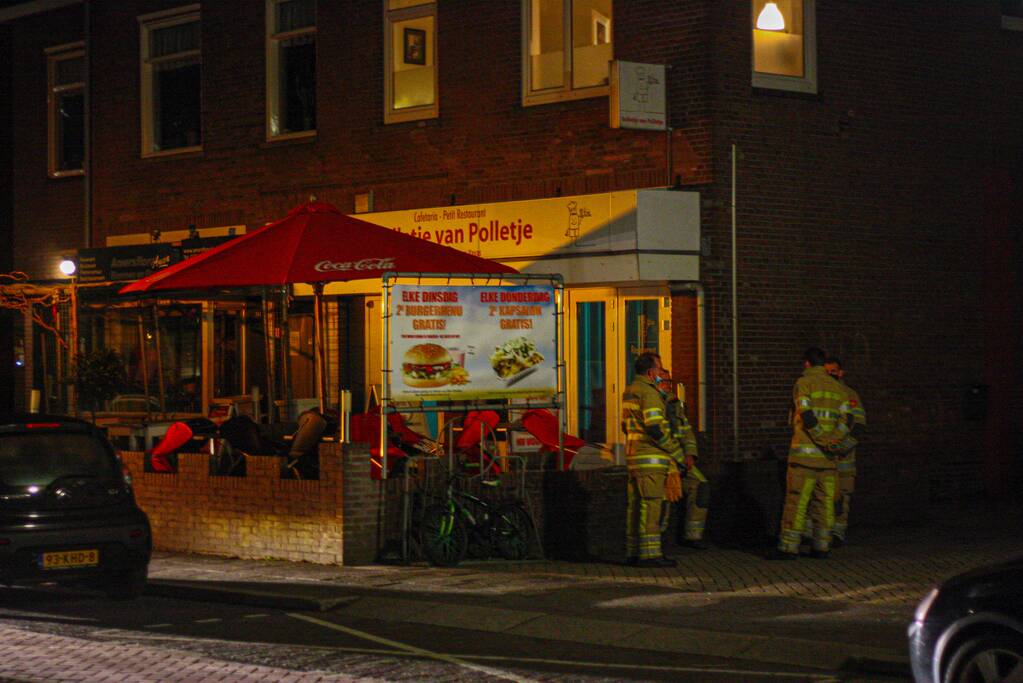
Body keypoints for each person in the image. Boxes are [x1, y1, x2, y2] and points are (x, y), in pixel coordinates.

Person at [771, 347, 856, 560]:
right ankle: (822, 547)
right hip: (829, 462)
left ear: (807, 363)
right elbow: (849, 421)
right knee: (825, 506)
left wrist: (822, 439)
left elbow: (806, 415)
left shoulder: (804, 383)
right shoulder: (839, 389)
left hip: (805, 460)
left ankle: (789, 548)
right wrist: (834, 441)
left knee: (797, 502)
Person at [622, 352, 686, 568]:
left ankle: (633, 552)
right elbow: (655, 428)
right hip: (651, 459)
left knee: (635, 507)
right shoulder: (649, 394)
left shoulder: (630, 391)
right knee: (651, 507)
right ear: (651, 372)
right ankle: (650, 554)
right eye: (659, 369)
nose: (661, 373)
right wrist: (677, 453)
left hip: (633, 458)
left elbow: (626, 426)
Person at [823, 356, 866, 546]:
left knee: (842, 499)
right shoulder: (821, 394)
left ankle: (838, 534)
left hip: (843, 459)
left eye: (833, 371)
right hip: (823, 456)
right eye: (827, 371)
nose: (830, 375)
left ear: (841, 373)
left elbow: (858, 426)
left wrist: (841, 448)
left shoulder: (850, 395)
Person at [664, 376, 709, 549]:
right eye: (664, 382)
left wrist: (690, 454)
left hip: (680, 460)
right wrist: (677, 458)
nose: (668, 386)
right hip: (665, 461)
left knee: (701, 485)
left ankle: (693, 535)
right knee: (665, 495)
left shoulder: (676, 406)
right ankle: (660, 539)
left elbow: (687, 433)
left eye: (669, 382)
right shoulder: (655, 403)